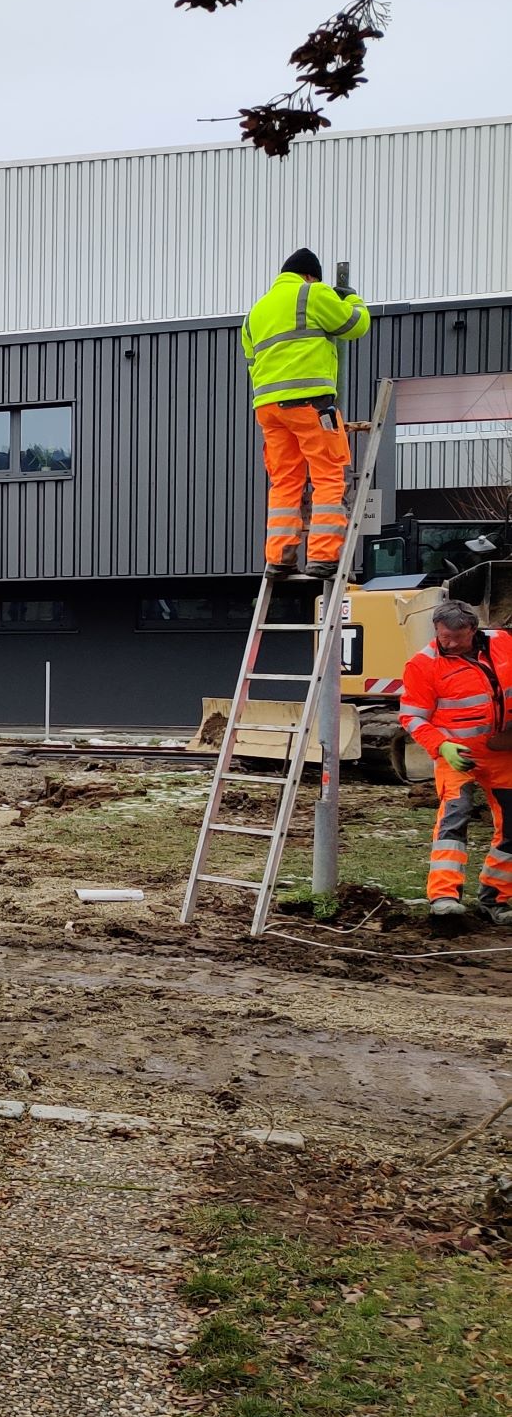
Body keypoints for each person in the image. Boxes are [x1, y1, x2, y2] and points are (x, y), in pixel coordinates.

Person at [242, 248, 371, 580]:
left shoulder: (256, 312)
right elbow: (354, 325)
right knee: (329, 474)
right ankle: (323, 557)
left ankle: (280, 558)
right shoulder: (312, 293)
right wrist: (352, 299)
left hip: (268, 409)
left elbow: (251, 360)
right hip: (311, 401)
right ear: (311, 275)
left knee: (285, 480)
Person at [398, 598, 512, 921]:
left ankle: (496, 899)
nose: (446, 643)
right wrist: (442, 746)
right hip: (456, 753)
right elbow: (412, 718)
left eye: (454, 638)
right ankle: (444, 897)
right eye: (442, 636)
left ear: (473, 631)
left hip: (501, 750)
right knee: (455, 816)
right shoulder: (423, 664)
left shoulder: (503, 643)